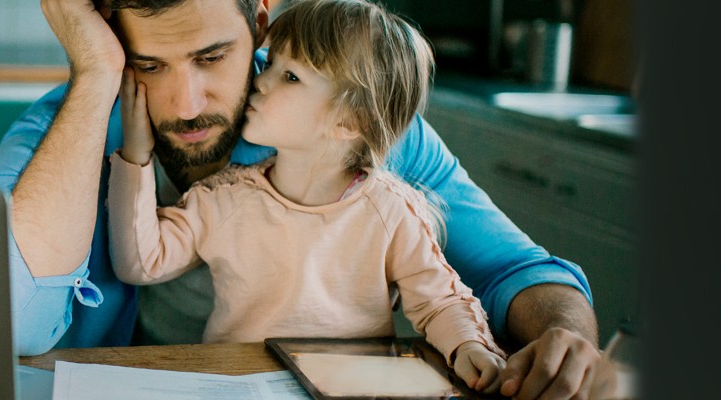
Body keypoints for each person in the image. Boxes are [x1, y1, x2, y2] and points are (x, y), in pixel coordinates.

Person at [0, 0, 611, 397]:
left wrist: (566, 343)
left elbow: (515, 269)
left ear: (260, 21)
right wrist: (97, 75)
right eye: (149, 65)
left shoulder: (352, 120)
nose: (185, 106)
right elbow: (5, 319)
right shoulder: (64, 128)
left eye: (213, 57)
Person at [106, 0, 506, 391]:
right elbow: (141, 263)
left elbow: (440, 302)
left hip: (352, 389)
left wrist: (470, 345)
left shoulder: (393, 212)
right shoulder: (223, 199)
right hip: (240, 385)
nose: (261, 79)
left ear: (351, 121)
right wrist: (136, 156)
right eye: (273, 62)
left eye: (290, 76)